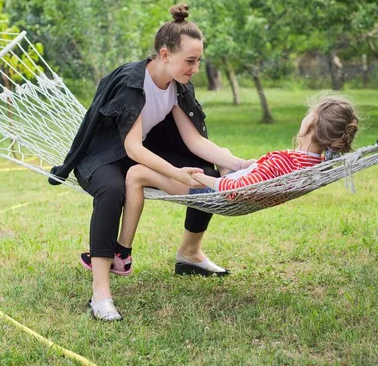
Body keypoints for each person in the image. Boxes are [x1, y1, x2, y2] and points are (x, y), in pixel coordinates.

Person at [48, 4, 251, 321]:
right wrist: (174, 174)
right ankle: (101, 294)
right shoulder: (133, 82)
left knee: (206, 174)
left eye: (198, 61)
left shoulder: (177, 84)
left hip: (133, 155)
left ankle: (189, 255)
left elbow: (194, 140)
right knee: (112, 192)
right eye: (190, 61)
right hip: (101, 155)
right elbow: (131, 146)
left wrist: (239, 163)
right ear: (166, 54)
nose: (195, 68)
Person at [117, 92, 359, 262]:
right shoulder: (318, 162)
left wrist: (202, 179)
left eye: (309, 114)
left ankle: (122, 253)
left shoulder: (286, 161)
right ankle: (175, 104)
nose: (305, 117)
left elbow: (234, 190)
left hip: (221, 193)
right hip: (243, 182)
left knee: (136, 173)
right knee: (222, 154)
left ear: (311, 125)